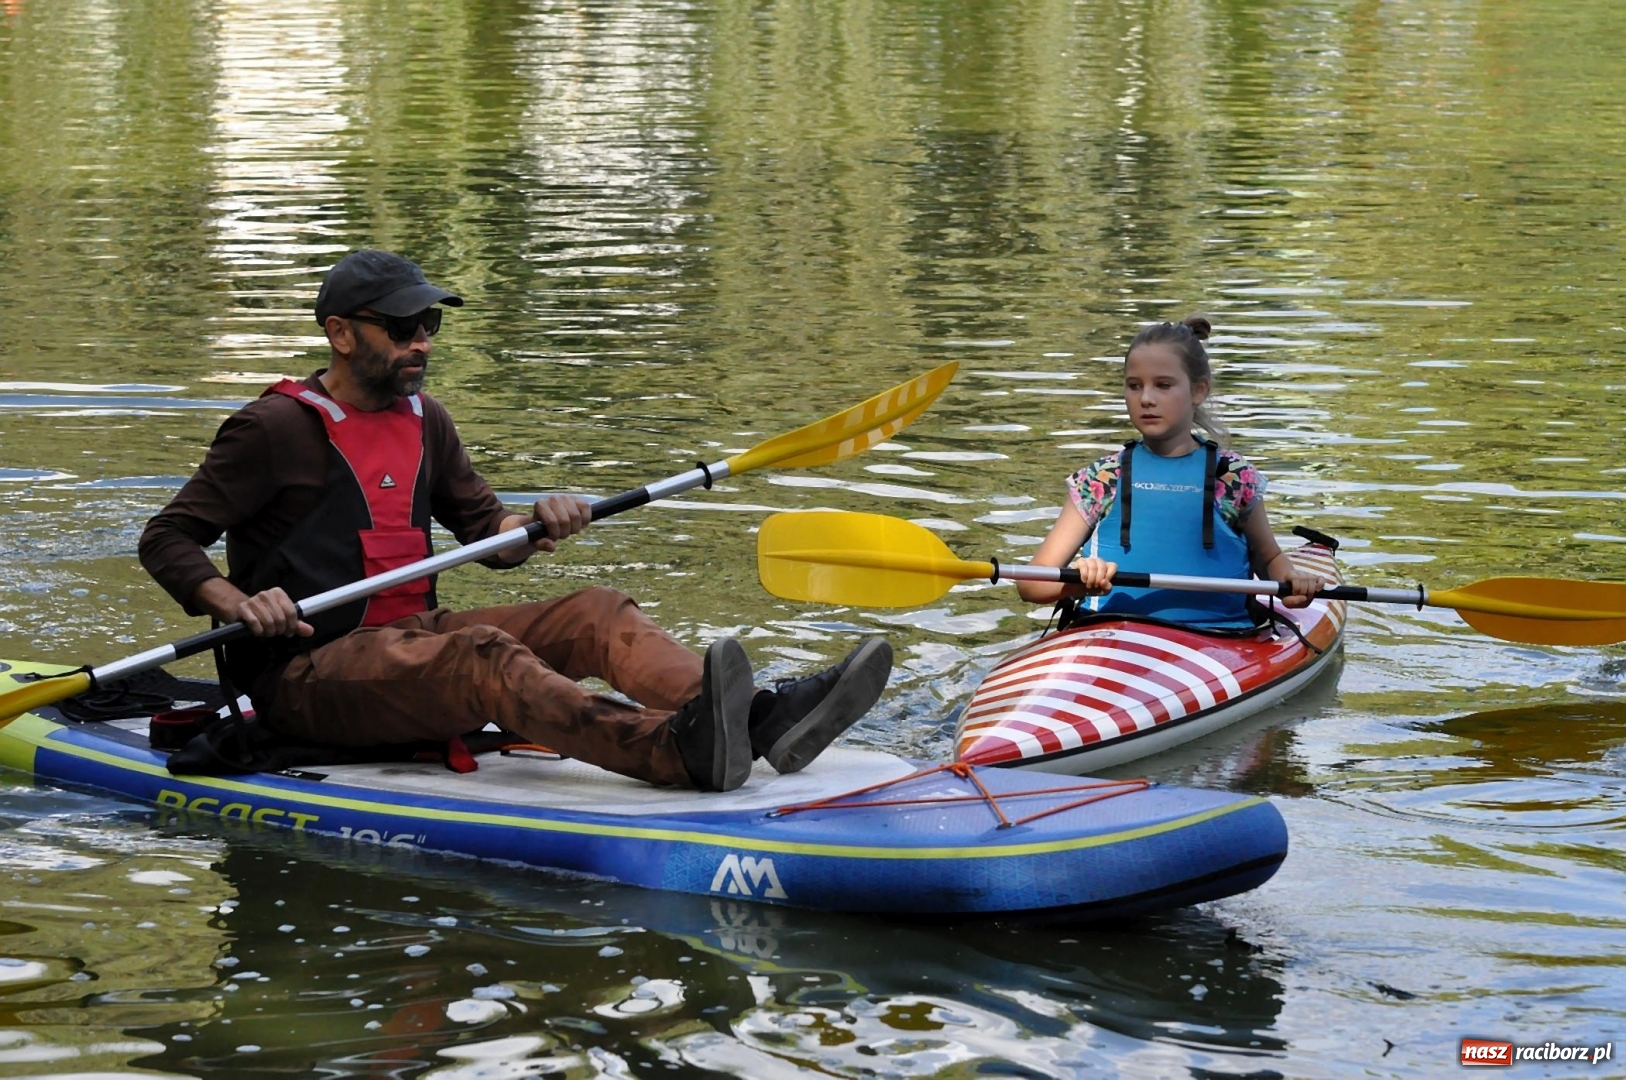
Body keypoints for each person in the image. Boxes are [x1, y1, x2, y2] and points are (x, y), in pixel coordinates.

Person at [138, 249, 892, 793]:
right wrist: (238, 603)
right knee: (483, 656)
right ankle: (671, 751)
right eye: (402, 327)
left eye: (427, 322)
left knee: (596, 613)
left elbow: (487, 535)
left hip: (405, 647)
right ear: (341, 334)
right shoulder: (272, 429)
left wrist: (533, 522)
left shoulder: (425, 420)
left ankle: (759, 721)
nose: (421, 341)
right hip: (305, 675)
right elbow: (166, 538)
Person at [1016, 316, 1323, 625]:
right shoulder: (1101, 478)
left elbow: (1269, 560)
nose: (1146, 398)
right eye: (1134, 386)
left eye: (1163, 385)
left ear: (1198, 390)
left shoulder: (1231, 477)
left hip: (1220, 638)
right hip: (1109, 632)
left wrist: (1292, 582)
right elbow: (1031, 584)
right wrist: (1079, 580)